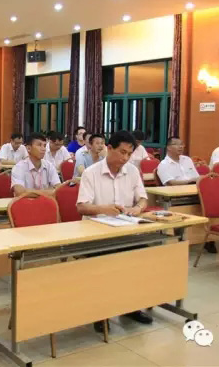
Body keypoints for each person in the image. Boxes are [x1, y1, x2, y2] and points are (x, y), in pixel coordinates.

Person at [76, 130, 152, 327]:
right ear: (109, 148)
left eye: (129, 154)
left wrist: (137, 208)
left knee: (141, 257)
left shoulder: (132, 171)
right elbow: (81, 207)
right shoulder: (91, 173)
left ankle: (131, 307)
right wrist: (104, 209)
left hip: (125, 230)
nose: (125, 158)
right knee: (105, 264)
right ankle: (100, 313)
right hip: (96, 234)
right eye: (122, 152)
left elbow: (143, 199)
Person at [11, 132, 61, 197]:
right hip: (25, 202)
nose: (43, 149)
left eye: (44, 146)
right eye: (39, 145)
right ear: (28, 148)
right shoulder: (19, 167)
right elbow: (20, 192)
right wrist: (49, 192)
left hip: (45, 202)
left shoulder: (49, 166)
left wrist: (28, 192)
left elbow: (59, 189)